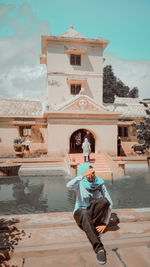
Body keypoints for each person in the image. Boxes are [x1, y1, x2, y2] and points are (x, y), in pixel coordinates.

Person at [66, 163, 112, 265]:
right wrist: (82, 176)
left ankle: (90, 225)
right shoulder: (80, 183)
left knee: (104, 201)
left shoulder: (99, 183)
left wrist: (105, 223)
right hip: (80, 213)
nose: (91, 175)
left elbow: (109, 203)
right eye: (89, 173)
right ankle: (99, 248)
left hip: (92, 214)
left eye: (93, 172)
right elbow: (68, 185)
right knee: (84, 212)